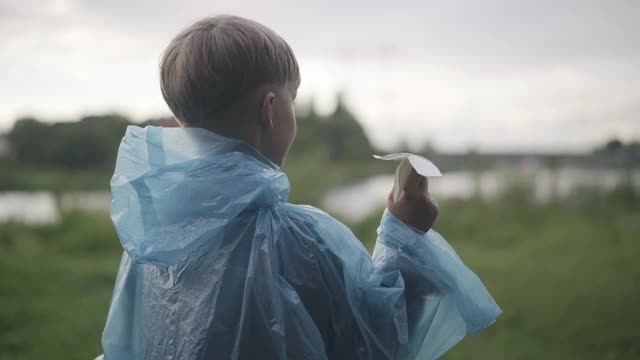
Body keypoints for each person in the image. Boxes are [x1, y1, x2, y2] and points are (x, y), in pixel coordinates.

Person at [99, 14, 501, 360]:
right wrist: (406, 236)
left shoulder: (152, 235)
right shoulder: (304, 242)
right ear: (270, 110)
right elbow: (378, 344)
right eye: (293, 99)